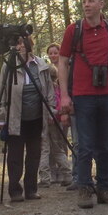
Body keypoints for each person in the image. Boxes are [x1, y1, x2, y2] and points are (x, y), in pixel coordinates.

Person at [58, 0, 108, 209]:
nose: (86, 5)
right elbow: (62, 62)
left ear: (101, 4)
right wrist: (64, 95)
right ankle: (85, 189)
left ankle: (105, 188)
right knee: (85, 146)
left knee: (106, 146)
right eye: (83, 1)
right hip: (82, 96)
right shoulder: (74, 30)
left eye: (90, 1)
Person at [0, 35, 56, 202]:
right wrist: (1, 118)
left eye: (24, 42)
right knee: (15, 155)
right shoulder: (9, 66)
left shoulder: (41, 65)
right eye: (18, 43)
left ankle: (31, 189)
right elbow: (1, 90)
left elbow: (49, 90)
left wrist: (51, 110)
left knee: (34, 154)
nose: (21, 46)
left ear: (30, 44)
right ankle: (15, 191)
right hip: (16, 117)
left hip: (37, 118)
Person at [40, 43, 73, 187]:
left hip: (57, 116)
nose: (53, 55)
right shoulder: (49, 74)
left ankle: (63, 173)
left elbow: (60, 99)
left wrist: (61, 113)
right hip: (53, 115)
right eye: (50, 53)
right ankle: (55, 174)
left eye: (55, 52)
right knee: (54, 147)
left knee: (54, 146)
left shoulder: (63, 73)